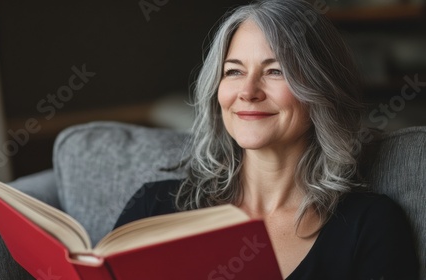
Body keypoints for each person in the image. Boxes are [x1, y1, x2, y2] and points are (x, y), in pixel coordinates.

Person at [114, 0, 419, 279]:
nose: (248, 91)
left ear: (320, 89)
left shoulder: (369, 225)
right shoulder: (153, 207)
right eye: (234, 71)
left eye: (275, 71)